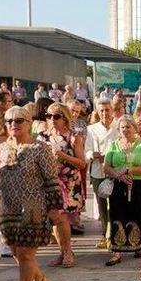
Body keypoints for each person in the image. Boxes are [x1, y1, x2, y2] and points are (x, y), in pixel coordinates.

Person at [0, 107, 58, 281]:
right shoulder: (3, 147)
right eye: (10, 120)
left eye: (19, 120)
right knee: (16, 252)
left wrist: (54, 208)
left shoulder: (41, 148)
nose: (14, 124)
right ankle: (40, 280)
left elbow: (51, 180)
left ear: (29, 123)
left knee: (26, 254)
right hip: (8, 207)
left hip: (33, 206)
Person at [101, 115, 141, 266]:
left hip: (138, 185)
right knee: (117, 214)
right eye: (122, 127)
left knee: (138, 213)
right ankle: (116, 251)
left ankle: (140, 246)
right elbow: (106, 167)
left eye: (128, 127)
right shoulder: (113, 144)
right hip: (118, 184)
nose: (125, 130)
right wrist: (119, 174)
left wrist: (129, 171)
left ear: (134, 128)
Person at [39, 104, 86, 266]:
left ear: (65, 118)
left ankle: (67, 253)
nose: (52, 119)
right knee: (54, 218)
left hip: (69, 182)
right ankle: (63, 252)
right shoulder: (43, 137)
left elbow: (81, 163)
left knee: (62, 218)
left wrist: (62, 155)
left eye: (57, 116)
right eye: (49, 116)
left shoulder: (74, 136)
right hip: (50, 182)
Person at [85, 96, 120, 251]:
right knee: (102, 206)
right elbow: (86, 151)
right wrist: (92, 155)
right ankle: (106, 236)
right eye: (102, 111)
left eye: (107, 110)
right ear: (97, 112)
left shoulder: (119, 126)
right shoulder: (91, 129)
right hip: (98, 172)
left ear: (112, 111)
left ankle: (117, 236)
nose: (105, 113)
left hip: (116, 171)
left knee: (117, 205)